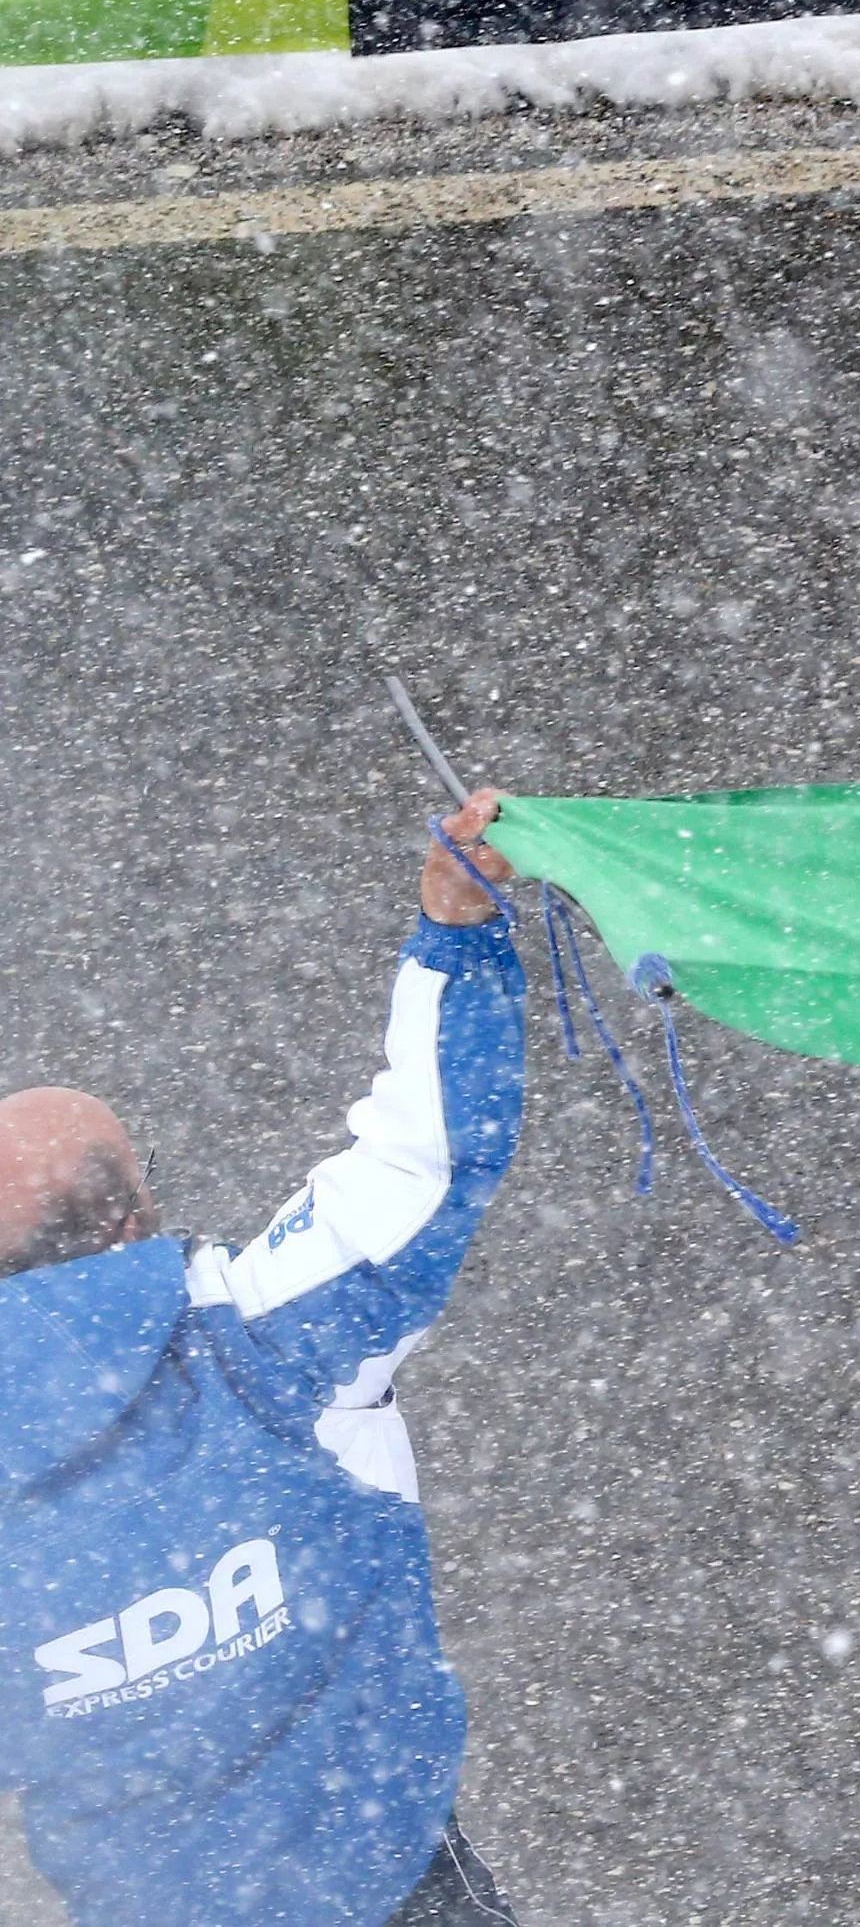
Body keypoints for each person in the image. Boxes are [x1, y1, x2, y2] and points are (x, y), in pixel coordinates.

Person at [1, 790, 528, 1927]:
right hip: (394, 1889)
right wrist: (455, 936)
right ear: (135, 1215)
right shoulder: (262, 1337)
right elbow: (424, 1162)